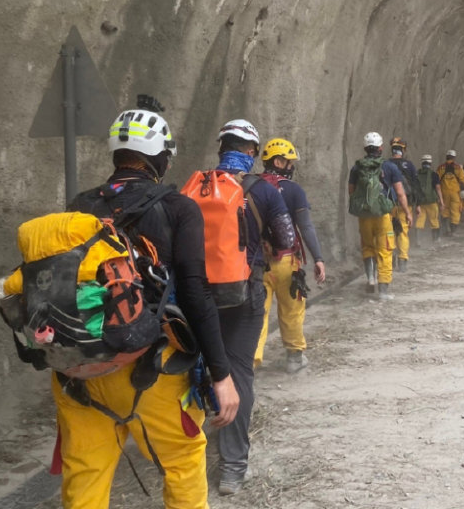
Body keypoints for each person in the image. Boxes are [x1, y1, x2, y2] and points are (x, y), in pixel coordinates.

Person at [55, 98, 239, 509]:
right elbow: (194, 293)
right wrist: (222, 374)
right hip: (151, 366)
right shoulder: (178, 208)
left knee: (85, 475)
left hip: (80, 367)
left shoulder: (78, 206)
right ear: (161, 157)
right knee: (183, 463)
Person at [203, 120, 295, 496]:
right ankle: (232, 467)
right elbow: (286, 239)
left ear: (221, 146)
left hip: (200, 297)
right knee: (238, 372)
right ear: (253, 152)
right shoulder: (264, 190)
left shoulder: (196, 187)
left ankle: (188, 453)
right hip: (245, 292)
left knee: (199, 367)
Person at [253, 138, 327, 374]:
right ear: (277, 161)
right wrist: (318, 258)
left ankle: (250, 364)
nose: (291, 166)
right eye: (288, 162)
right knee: (292, 309)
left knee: (256, 312)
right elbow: (305, 227)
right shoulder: (294, 190)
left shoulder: (249, 186)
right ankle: (294, 357)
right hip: (286, 262)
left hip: (254, 263)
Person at [347, 132, 410, 300]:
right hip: (383, 215)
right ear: (381, 147)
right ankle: (383, 291)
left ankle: (371, 278)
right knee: (384, 250)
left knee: (368, 247)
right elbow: (400, 193)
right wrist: (408, 212)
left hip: (364, 216)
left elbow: (351, 192)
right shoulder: (389, 167)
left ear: (365, 148)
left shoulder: (357, 167)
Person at [386, 137, 420, 270]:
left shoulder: (385, 164)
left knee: (389, 231)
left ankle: (391, 258)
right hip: (405, 204)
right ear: (403, 150)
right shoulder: (409, 165)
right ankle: (402, 261)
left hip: (389, 203)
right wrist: (418, 204)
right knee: (402, 232)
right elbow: (415, 185)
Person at [415, 154, 446, 242]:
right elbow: (438, 188)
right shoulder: (434, 175)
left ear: (422, 162)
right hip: (432, 202)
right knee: (434, 220)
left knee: (420, 220)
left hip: (420, 202)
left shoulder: (416, 174)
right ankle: (436, 239)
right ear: (431, 163)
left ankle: (418, 241)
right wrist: (442, 201)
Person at [437, 150, 464, 235]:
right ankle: (453, 232)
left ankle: (446, 230)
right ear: (454, 158)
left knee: (445, 210)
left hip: (444, 193)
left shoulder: (440, 168)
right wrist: (463, 191)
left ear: (446, 157)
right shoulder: (458, 168)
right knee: (455, 211)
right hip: (455, 193)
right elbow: (462, 181)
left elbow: (437, 181)